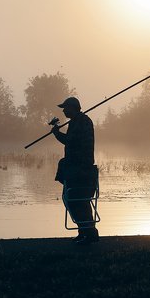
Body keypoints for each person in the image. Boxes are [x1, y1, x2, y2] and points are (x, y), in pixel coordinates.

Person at [52, 96, 100, 243]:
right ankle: (84, 231)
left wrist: (56, 133)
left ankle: (90, 234)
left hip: (81, 169)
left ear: (74, 108)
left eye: (66, 108)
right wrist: (58, 133)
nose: (64, 111)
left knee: (77, 201)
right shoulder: (76, 122)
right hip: (76, 168)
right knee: (73, 200)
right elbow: (70, 140)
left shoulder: (82, 122)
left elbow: (70, 141)